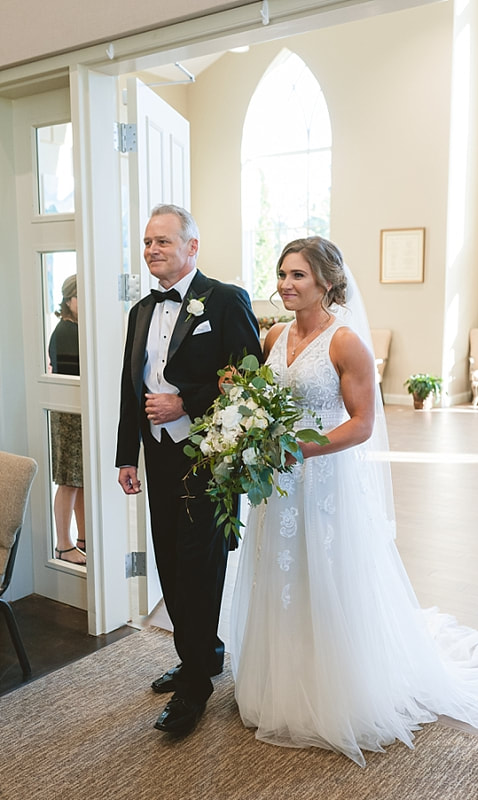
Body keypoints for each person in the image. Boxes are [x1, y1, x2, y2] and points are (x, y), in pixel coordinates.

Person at [229, 236, 478, 764]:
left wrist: (301, 450)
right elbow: (257, 401)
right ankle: (281, 682)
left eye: (298, 277)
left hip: (323, 480)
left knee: (326, 573)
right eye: (282, 275)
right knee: (280, 573)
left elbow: (362, 424)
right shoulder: (272, 337)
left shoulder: (345, 343)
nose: (285, 286)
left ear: (327, 284)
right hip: (278, 484)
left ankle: (335, 690)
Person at [116, 204, 263, 736]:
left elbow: (249, 381)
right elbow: (130, 387)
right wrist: (126, 454)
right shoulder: (140, 311)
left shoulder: (224, 301)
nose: (153, 250)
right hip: (157, 457)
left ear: (192, 247)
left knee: (199, 567)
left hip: (207, 456)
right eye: (148, 242)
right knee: (170, 561)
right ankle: (204, 651)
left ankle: (196, 684)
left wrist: (187, 404)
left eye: (164, 241)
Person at [49, 274, 86, 565]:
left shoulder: (76, 329)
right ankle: (63, 544)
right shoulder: (65, 332)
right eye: (81, 297)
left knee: (80, 481)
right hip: (68, 414)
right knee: (69, 481)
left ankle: (83, 538)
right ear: (70, 300)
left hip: (77, 412)